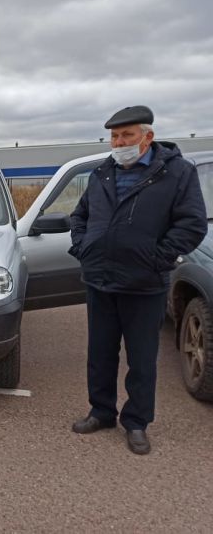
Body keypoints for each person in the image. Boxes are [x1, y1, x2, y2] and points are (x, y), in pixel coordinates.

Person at [68, 105, 207, 455]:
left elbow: (192, 224)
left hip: (144, 284)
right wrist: (83, 247)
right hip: (100, 280)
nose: (119, 142)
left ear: (148, 136)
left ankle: (137, 422)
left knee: (142, 359)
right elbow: (80, 215)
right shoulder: (103, 173)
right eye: (115, 136)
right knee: (100, 355)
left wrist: (157, 259)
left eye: (127, 135)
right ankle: (101, 412)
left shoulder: (176, 173)